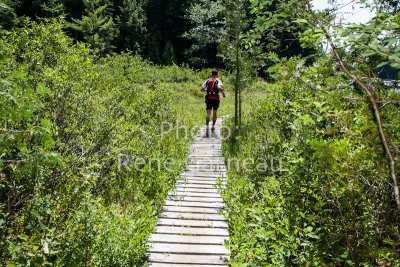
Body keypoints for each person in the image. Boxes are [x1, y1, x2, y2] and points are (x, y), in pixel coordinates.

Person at [201, 69, 225, 136]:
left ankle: (207, 125)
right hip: (216, 99)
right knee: (214, 112)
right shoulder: (218, 80)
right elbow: (219, 88)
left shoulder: (207, 80)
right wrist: (223, 93)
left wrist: (207, 90)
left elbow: (202, 89)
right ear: (217, 74)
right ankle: (213, 126)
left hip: (209, 98)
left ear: (211, 74)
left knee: (208, 112)